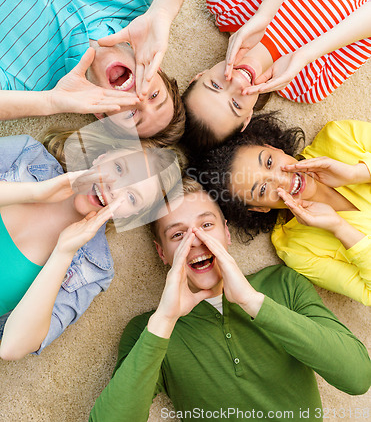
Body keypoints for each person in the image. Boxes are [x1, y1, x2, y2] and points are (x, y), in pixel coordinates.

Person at [89, 179, 371, 422]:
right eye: (178, 235)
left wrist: (253, 302)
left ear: (226, 233)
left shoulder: (284, 284)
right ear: (162, 253)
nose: (196, 240)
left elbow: (358, 377)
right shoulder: (147, 331)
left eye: (206, 225)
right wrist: (164, 321)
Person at [0, 0, 224, 144]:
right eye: (155, 96)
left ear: (101, 115)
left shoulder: (26, 83)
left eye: (131, 115)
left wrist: (51, 102)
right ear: (157, 69)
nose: (140, 99)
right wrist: (164, 10)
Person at [182, 0, 371, 151]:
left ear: (198, 76)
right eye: (235, 104)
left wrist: (264, 14)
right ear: (246, 119)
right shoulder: (308, 87)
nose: (238, 83)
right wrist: (306, 54)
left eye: (215, 84)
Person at [0, 124, 182, 360]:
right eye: (119, 168)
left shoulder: (94, 270)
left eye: (131, 197)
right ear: (102, 157)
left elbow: (11, 347)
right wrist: (37, 192)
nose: (115, 189)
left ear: (130, 216)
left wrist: (63, 253)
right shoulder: (27, 154)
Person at [194, 115, 371, 305]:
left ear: (272, 147)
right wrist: (340, 228)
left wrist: (356, 173)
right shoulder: (296, 249)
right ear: (260, 208)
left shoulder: (339, 137)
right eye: (262, 189)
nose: (281, 179)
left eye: (269, 162)